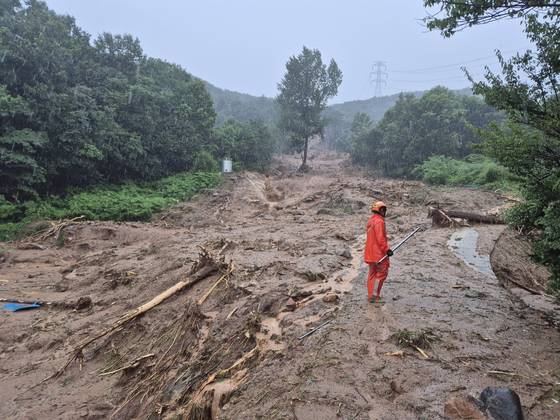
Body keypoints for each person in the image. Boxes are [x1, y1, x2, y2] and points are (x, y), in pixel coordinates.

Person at [364, 201, 393, 304]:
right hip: (378, 254)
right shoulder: (379, 221)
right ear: (380, 210)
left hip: (370, 254)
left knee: (372, 274)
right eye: (384, 210)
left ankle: (370, 295)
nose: (385, 212)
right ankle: (375, 296)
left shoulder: (370, 221)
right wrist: (387, 250)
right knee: (381, 273)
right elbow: (380, 238)